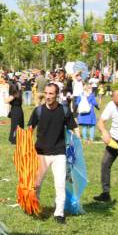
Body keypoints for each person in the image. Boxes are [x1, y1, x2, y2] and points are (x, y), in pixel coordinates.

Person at [27, 83, 80, 224]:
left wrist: (79, 141)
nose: (48, 96)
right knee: (36, 184)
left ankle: (59, 213)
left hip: (59, 153)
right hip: (41, 153)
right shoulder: (38, 111)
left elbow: (73, 127)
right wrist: (25, 146)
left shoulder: (64, 110)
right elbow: (29, 129)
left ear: (57, 94)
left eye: (51, 94)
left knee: (60, 184)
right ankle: (34, 207)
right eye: (46, 93)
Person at [6, 74, 26, 145]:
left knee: (15, 125)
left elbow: (6, 101)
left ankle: (15, 140)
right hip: (19, 110)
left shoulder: (13, 95)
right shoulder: (19, 93)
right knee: (20, 125)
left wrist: (4, 94)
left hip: (15, 111)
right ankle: (20, 139)